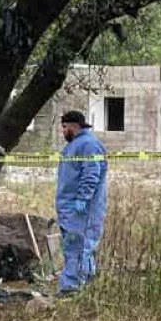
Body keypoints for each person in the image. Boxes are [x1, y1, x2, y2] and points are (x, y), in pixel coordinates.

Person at [55, 111, 108, 296]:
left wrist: (83, 199)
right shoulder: (75, 145)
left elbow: (91, 174)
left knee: (77, 249)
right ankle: (87, 285)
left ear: (73, 126)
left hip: (83, 209)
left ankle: (71, 289)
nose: (63, 131)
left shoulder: (89, 145)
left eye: (64, 127)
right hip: (69, 208)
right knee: (79, 248)